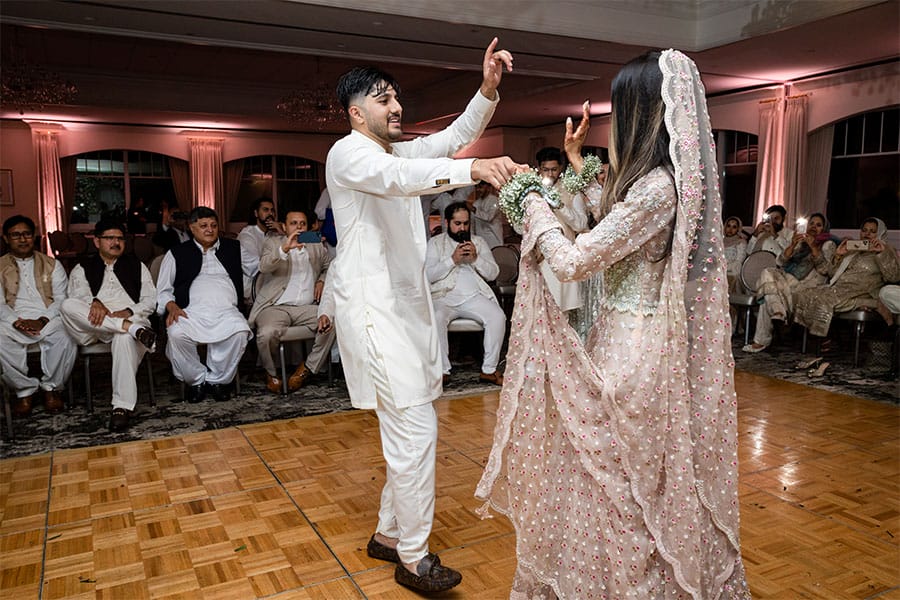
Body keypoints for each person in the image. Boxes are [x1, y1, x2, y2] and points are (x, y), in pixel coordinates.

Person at [477, 50, 750, 598]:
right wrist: (579, 167)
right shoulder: (656, 185)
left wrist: (528, 202)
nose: (615, 121)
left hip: (632, 352)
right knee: (612, 480)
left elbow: (575, 260)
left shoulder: (656, 190)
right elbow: (611, 232)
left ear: (643, 112)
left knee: (619, 488)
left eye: (621, 107)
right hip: (623, 338)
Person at [325, 37, 525, 593]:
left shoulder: (391, 151)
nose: (396, 107)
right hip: (375, 316)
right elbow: (401, 180)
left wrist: (486, 90)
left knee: (411, 429)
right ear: (355, 112)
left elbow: (450, 139)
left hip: (408, 312)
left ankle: (389, 534)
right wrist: (473, 171)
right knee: (415, 430)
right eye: (382, 99)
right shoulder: (350, 154)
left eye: (396, 98)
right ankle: (412, 557)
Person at [60, 219, 157, 431]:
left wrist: (130, 312)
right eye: (110, 238)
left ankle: (120, 408)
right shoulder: (82, 268)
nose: (116, 242)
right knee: (67, 305)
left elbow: (150, 301)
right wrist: (94, 302)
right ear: (97, 241)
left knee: (123, 338)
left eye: (120, 238)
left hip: (134, 318)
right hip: (96, 324)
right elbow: (78, 297)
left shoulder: (137, 266)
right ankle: (127, 327)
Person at [157, 206, 250, 402]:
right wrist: (172, 306)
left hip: (227, 311)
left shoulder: (234, 248)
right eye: (204, 226)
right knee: (176, 333)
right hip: (191, 312)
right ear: (192, 228)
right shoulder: (176, 253)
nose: (210, 230)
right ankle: (197, 380)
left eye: (213, 225)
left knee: (240, 331)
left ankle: (217, 380)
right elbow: (163, 290)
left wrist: (282, 250)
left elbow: (260, 265)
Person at [248, 208, 334, 393]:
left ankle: (307, 369)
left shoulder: (315, 244)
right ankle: (271, 373)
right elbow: (263, 267)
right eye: (294, 223)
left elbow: (329, 268)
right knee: (266, 333)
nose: (299, 227)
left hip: (307, 307)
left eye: (302, 223)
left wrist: (321, 280)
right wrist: (284, 249)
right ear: (284, 226)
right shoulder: (273, 243)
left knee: (333, 322)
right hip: (275, 306)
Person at [0, 215, 76, 417]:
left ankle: (52, 388)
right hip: (11, 319)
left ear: (34, 237)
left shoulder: (52, 264)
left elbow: (61, 299)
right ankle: (24, 391)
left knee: (66, 334)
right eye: (16, 235)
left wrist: (42, 320)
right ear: (6, 239)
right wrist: (16, 321)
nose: (22, 239)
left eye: (26, 234)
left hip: (47, 317)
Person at [426, 202, 506, 387]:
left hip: (474, 296)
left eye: (466, 223)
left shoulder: (478, 242)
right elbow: (428, 276)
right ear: (447, 223)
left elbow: (493, 273)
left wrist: (476, 259)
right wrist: (451, 260)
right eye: (457, 223)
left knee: (497, 317)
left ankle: (489, 370)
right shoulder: (436, 243)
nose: (462, 228)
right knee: (436, 317)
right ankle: (442, 371)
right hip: (443, 296)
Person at [743, 212, 839, 353]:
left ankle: (761, 340)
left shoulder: (828, 244)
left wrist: (813, 247)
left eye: (818, 225)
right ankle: (778, 311)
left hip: (807, 287)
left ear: (824, 229)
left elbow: (825, 270)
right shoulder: (800, 242)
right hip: (788, 281)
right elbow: (780, 262)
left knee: (768, 294)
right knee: (767, 274)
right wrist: (793, 245)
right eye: (811, 223)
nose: (813, 227)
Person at [793, 217, 900, 340]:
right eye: (864, 230)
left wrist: (881, 254)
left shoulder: (887, 250)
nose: (867, 234)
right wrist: (838, 255)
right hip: (840, 290)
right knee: (803, 294)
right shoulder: (853, 250)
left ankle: (819, 340)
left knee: (824, 299)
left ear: (880, 233)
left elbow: (894, 277)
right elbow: (832, 274)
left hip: (863, 293)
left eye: (872, 231)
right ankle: (806, 341)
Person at [238, 197, 282, 303]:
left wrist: (281, 231)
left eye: (272, 210)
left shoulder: (274, 234)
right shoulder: (247, 235)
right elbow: (255, 266)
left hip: (274, 281)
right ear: (256, 213)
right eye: (265, 210)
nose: (270, 213)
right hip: (254, 285)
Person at [466, 181, 505, 248]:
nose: (478, 190)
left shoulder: (495, 201)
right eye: (477, 187)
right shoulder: (476, 203)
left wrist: (473, 209)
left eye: (481, 187)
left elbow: (489, 217)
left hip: (494, 240)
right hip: (480, 240)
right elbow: (473, 223)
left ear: (488, 188)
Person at [724, 216, 748, 292]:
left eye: (734, 227)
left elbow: (739, 262)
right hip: (719, 271)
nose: (730, 229)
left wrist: (722, 267)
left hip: (732, 272)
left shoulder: (741, 242)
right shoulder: (719, 241)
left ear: (738, 229)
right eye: (728, 226)